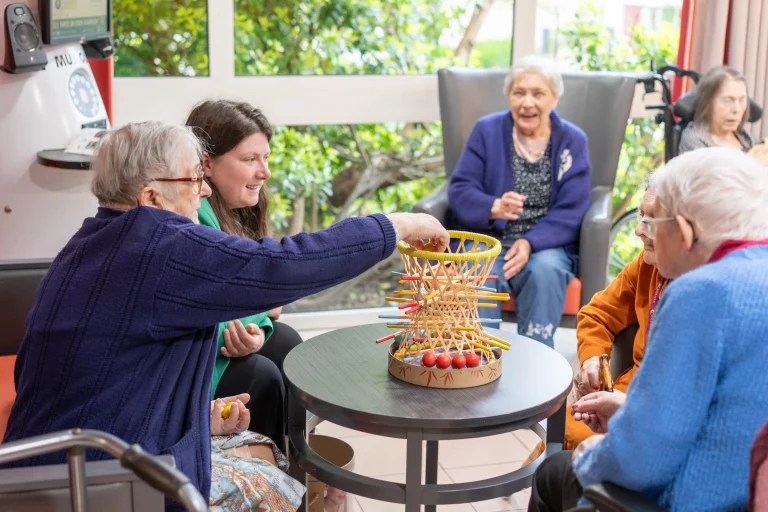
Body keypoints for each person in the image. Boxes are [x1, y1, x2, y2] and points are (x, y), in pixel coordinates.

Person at [1, 121, 449, 510]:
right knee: (280, 482)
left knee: (262, 447)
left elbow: (93, 374)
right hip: (97, 481)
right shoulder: (159, 245)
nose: (205, 190)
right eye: (194, 178)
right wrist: (396, 225)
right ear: (151, 196)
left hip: (50, 465)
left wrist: (199, 417)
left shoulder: (90, 241)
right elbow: (285, 265)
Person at [528, 147, 768, 512]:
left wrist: (592, 456)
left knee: (553, 472)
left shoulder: (699, 292)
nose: (641, 231)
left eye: (653, 223)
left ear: (684, 232)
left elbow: (642, 461)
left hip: (694, 498)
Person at [447, 55, 591, 347]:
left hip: (547, 245)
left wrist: (530, 242)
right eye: (519, 93)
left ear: (554, 98)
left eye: (538, 94)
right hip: (489, 239)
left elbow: (573, 208)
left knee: (545, 271)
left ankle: (537, 361)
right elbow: (460, 189)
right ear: (509, 96)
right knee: (479, 271)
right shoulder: (486, 131)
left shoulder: (572, 140)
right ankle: (481, 356)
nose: (527, 102)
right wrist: (493, 206)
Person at [185, 99, 302, 454]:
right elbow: (222, 310)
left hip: (217, 339)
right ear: (206, 163)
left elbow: (258, 296)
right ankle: (265, 473)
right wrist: (262, 312)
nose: (264, 172)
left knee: (287, 342)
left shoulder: (238, 209)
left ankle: (294, 464)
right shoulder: (196, 216)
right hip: (195, 357)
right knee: (262, 376)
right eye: (250, 159)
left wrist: (259, 327)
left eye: (265, 158)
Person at [563, 189, 669, 450]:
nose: (639, 230)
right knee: (567, 429)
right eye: (640, 217)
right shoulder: (646, 265)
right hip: (628, 390)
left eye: (652, 221)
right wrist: (593, 361)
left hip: (663, 413)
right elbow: (597, 313)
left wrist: (630, 411)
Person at [678, 65, 768, 165]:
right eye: (728, 100)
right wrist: (754, 161)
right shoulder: (694, 140)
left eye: (742, 100)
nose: (737, 109)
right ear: (707, 103)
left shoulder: (743, 135)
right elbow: (715, 173)